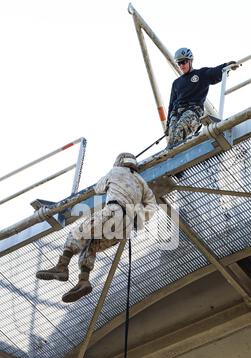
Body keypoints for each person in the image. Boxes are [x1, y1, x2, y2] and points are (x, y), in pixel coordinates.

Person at [36, 153, 156, 303]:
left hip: (113, 211)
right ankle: (83, 281)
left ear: (119, 162)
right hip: (126, 226)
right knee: (91, 244)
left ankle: (62, 266)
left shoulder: (115, 171)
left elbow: (99, 188)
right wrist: (139, 217)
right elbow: (152, 205)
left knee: (77, 233)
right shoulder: (142, 182)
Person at [166, 48, 238, 149]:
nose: (181, 65)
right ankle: (171, 156)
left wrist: (226, 66)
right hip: (176, 113)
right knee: (171, 141)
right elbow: (171, 103)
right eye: (179, 63)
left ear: (190, 61)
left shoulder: (200, 74)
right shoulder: (176, 83)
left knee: (179, 133)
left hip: (192, 111)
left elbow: (214, 72)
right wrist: (168, 124)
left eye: (183, 62)